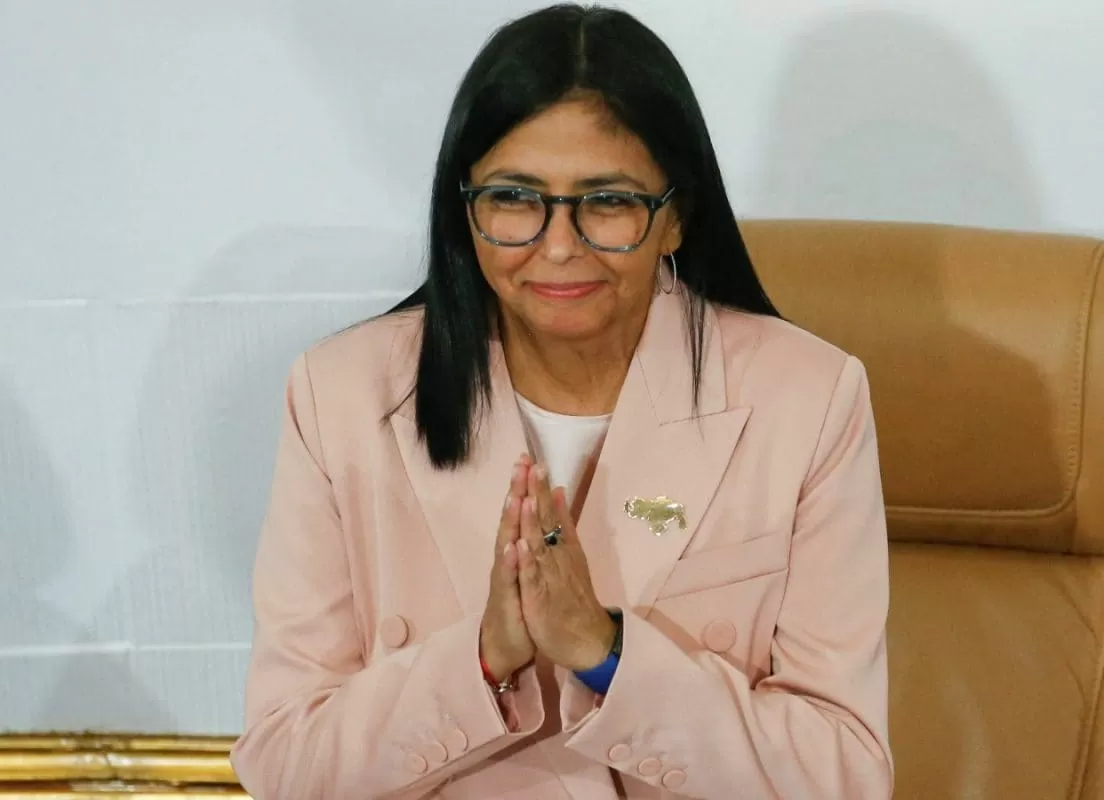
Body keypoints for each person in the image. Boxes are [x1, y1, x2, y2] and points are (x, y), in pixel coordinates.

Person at [230, 4, 893, 798]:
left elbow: (844, 773)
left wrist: (605, 653)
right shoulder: (341, 395)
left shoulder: (806, 398)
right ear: (465, 208)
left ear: (675, 217)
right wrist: (480, 660)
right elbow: (285, 765)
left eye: (607, 202)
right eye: (514, 197)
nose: (556, 246)